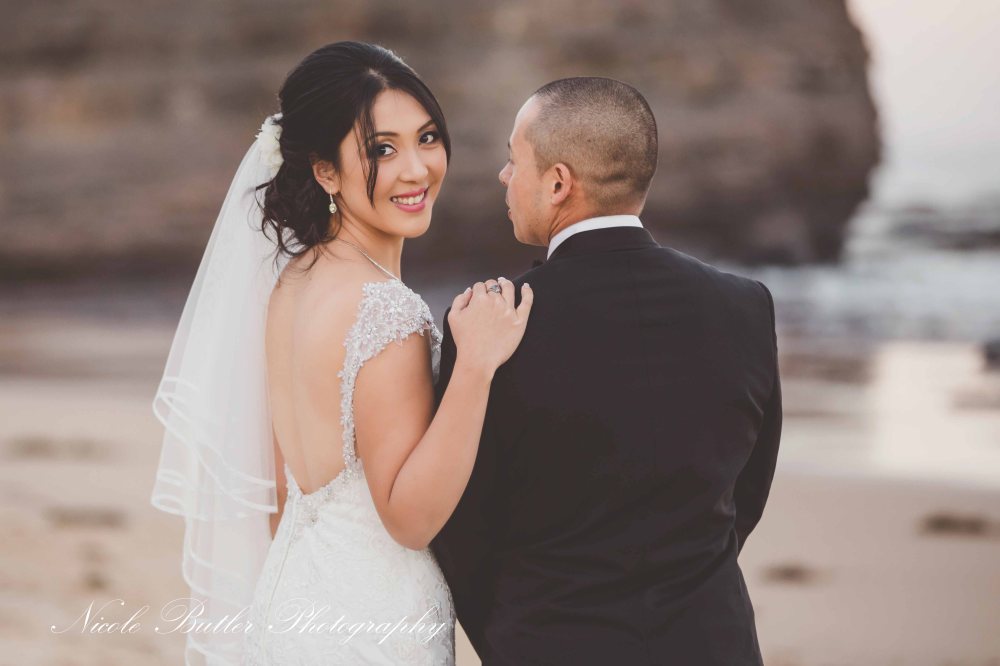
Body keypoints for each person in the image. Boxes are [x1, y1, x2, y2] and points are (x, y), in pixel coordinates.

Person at [150, 41, 532, 665]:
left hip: (289, 606)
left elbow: (279, 489)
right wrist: (477, 366)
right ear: (325, 172)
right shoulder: (387, 313)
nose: (416, 169)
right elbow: (409, 519)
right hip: (372, 625)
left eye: (426, 138)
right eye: (382, 150)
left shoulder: (292, 283)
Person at [431, 77, 782, 665]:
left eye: (513, 159)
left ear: (558, 183)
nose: (503, 175)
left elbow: (462, 524)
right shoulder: (746, 306)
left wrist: (513, 635)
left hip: (549, 643)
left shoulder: (491, 322)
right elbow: (746, 493)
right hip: (712, 640)